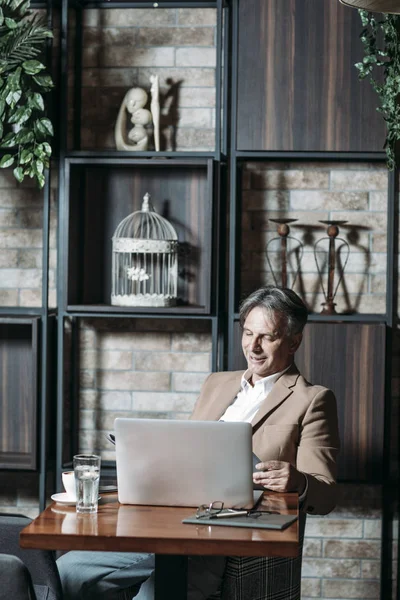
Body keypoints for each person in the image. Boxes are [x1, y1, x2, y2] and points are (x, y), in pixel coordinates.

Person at [57, 286, 340, 600]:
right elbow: (188, 449)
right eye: (248, 333)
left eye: (267, 337)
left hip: (225, 534)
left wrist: (298, 481)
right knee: (67, 573)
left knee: (152, 596)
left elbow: (325, 493)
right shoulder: (217, 383)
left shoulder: (313, 399)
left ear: (294, 341)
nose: (253, 347)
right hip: (168, 519)